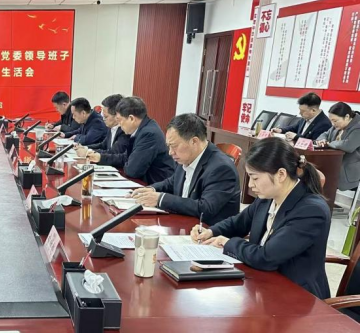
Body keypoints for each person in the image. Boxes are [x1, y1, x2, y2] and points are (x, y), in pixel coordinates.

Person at [191, 137, 331, 299]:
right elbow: (239, 222)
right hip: (262, 282)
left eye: (255, 178)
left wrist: (227, 243)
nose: (250, 184)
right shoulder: (268, 197)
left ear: (280, 174)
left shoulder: (311, 211)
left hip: (296, 296)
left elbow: (266, 257)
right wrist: (211, 232)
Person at [130, 113, 240, 224]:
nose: (170, 152)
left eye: (174, 146)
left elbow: (204, 209)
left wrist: (160, 199)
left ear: (194, 141)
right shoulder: (186, 157)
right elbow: (172, 182)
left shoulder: (221, 168)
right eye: (169, 146)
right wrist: (151, 190)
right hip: (183, 223)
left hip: (207, 230)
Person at [316, 102, 359, 191]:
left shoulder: (359, 127)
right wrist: (322, 140)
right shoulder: (337, 125)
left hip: (346, 170)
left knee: (320, 181)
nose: (332, 124)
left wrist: (328, 144)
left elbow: (348, 145)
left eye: (335, 121)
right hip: (332, 165)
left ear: (347, 117)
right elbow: (324, 134)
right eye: (331, 120)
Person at [85, 94, 129, 159]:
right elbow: (103, 145)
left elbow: (114, 152)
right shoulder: (111, 127)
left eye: (106, 116)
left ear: (117, 115)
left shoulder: (124, 131)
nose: (103, 119)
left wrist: (88, 151)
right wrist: (85, 148)